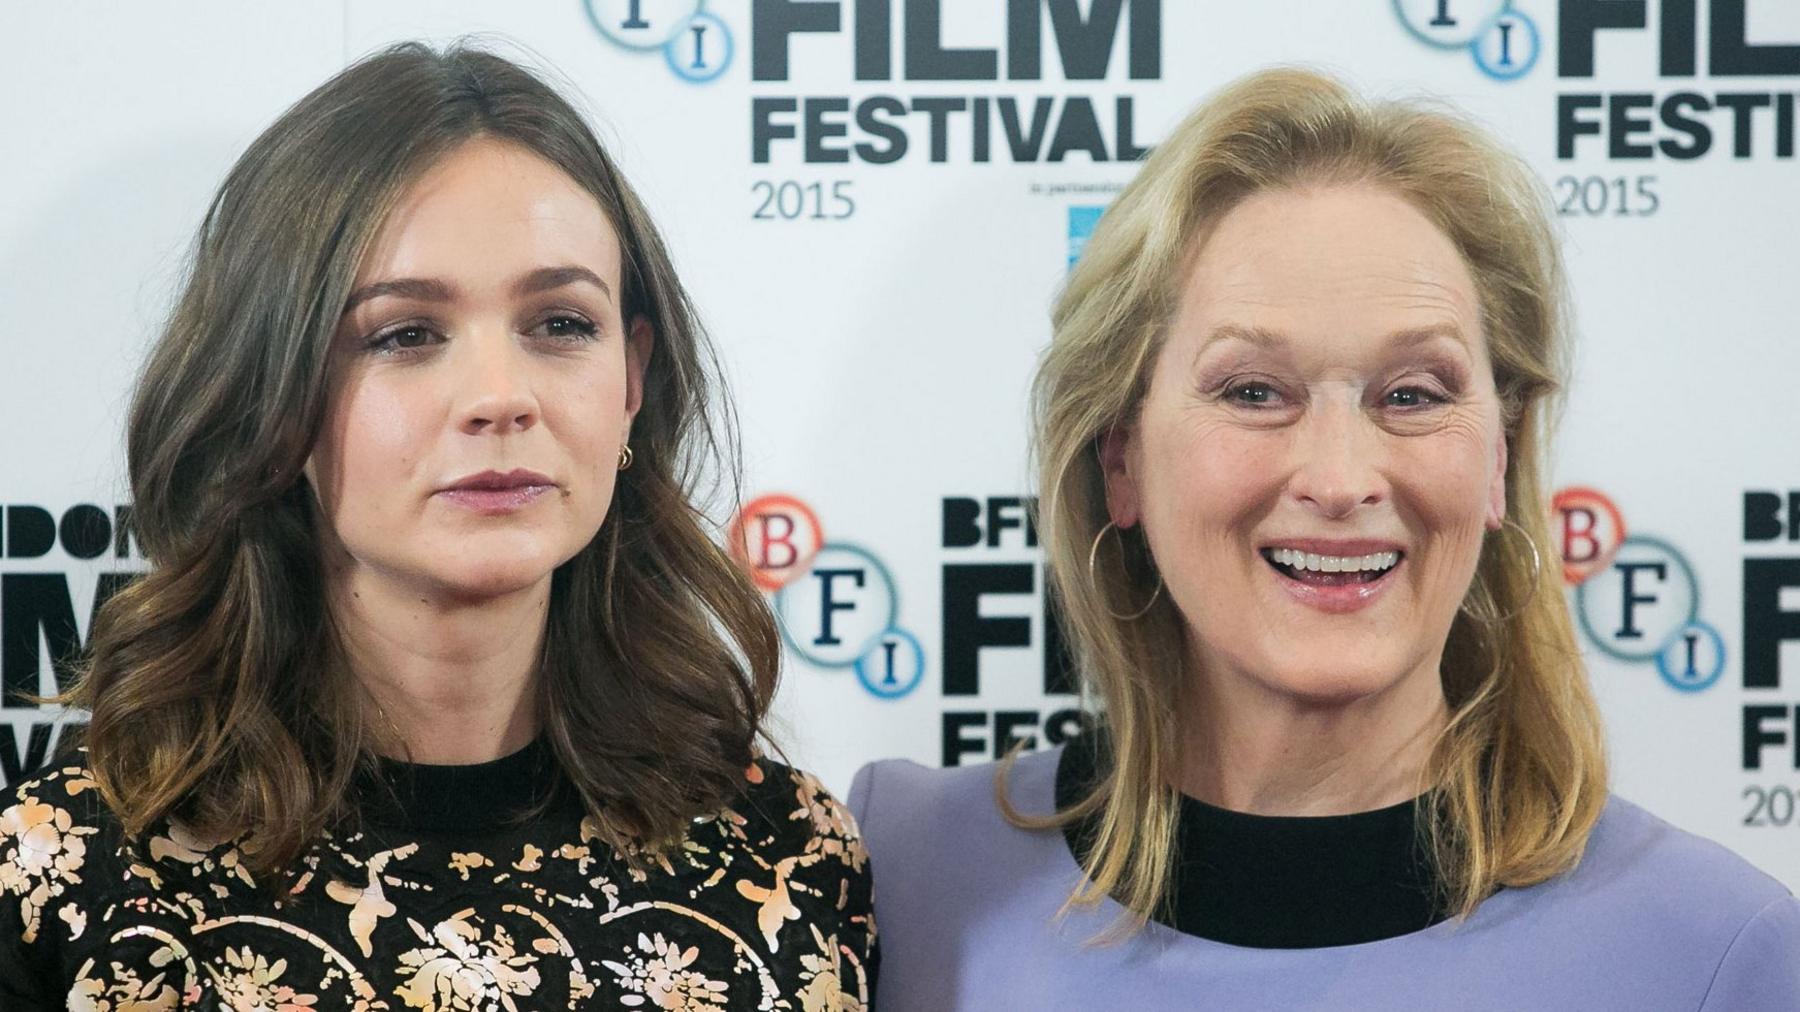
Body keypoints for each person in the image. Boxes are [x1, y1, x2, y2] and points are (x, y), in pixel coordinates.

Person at [851, 67, 1798, 1009]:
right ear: (1122, 459)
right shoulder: (899, 880)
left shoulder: (1716, 953)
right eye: (1253, 391)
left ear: (1499, 462)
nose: (1341, 481)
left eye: (1414, 395)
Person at [0, 41, 874, 1009]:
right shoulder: (64, 879)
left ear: (632, 377)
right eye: (405, 334)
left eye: (560, 324)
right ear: (273, 392)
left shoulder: (787, 855)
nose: (500, 397)